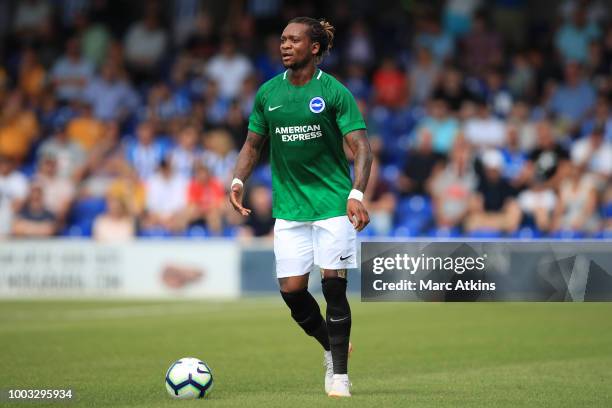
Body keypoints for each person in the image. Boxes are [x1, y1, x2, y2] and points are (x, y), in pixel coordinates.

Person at [229, 17, 372, 398]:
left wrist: (356, 194)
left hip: (332, 205)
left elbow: (361, 147)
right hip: (289, 208)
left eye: (294, 40)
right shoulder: (267, 94)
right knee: (292, 292)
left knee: (333, 287)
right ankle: (331, 344)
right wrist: (238, 180)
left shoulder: (334, 92)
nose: (285, 45)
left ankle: (339, 374)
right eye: (282, 39)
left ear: (314, 48)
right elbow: (252, 145)